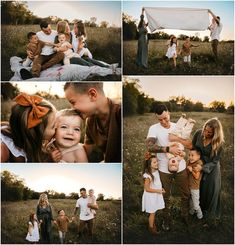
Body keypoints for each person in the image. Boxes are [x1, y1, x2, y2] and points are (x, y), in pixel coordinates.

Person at [146, 104, 190, 230]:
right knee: (165, 195)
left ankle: (185, 216)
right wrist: (167, 149)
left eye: (165, 118)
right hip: (164, 170)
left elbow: (187, 144)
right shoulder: (154, 129)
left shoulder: (177, 126)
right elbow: (149, 146)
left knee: (185, 193)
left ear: (169, 113)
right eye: (160, 119)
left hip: (181, 167)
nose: (164, 122)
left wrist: (183, 151)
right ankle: (166, 220)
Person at [64, 82, 121, 163]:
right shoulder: (90, 120)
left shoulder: (119, 112)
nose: (72, 108)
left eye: (73, 102)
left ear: (92, 95)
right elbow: (86, 150)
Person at [1, 93, 57, 162]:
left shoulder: (35, 143)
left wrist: (50, 158)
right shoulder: (4, 149)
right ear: (36, 134)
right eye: (53, 126)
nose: (57, 127)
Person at [191, 118, 224, 224]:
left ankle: (209, 215)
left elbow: (215, 161)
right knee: (198, 188)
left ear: (215, 133)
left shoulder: (219, 143)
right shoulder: (198, 133)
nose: (206, 133)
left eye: (209, 132)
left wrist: (203, 168)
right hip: (198, 164)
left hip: (211, 168)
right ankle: (197, 210)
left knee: (210, 191)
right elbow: (193, 147)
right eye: (205, 129)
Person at [142, 152, 165, 235]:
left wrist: (160, 188)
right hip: (151, 196)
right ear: (149, 165)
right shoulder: (148, 176)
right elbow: (147, 188)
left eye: (157, 161)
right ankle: (151, 228)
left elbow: (157, 183)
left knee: (154, 211)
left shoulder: (156, 172)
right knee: (152, 212)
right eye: (154, 162)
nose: (157, 163)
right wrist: (158, 191)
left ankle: (152, 223)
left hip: (155, 194)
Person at [187, 148, 203, 219]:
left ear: (198, 156)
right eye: (189, 155)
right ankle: (192, 211)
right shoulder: (189, 162)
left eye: (192, 155)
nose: (190, 157)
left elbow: (197, 177)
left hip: (195, 187)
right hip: (189, 185)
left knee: (196, 203)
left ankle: (200, 215)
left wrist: (191, 171)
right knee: (191, 200)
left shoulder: (198, 164)